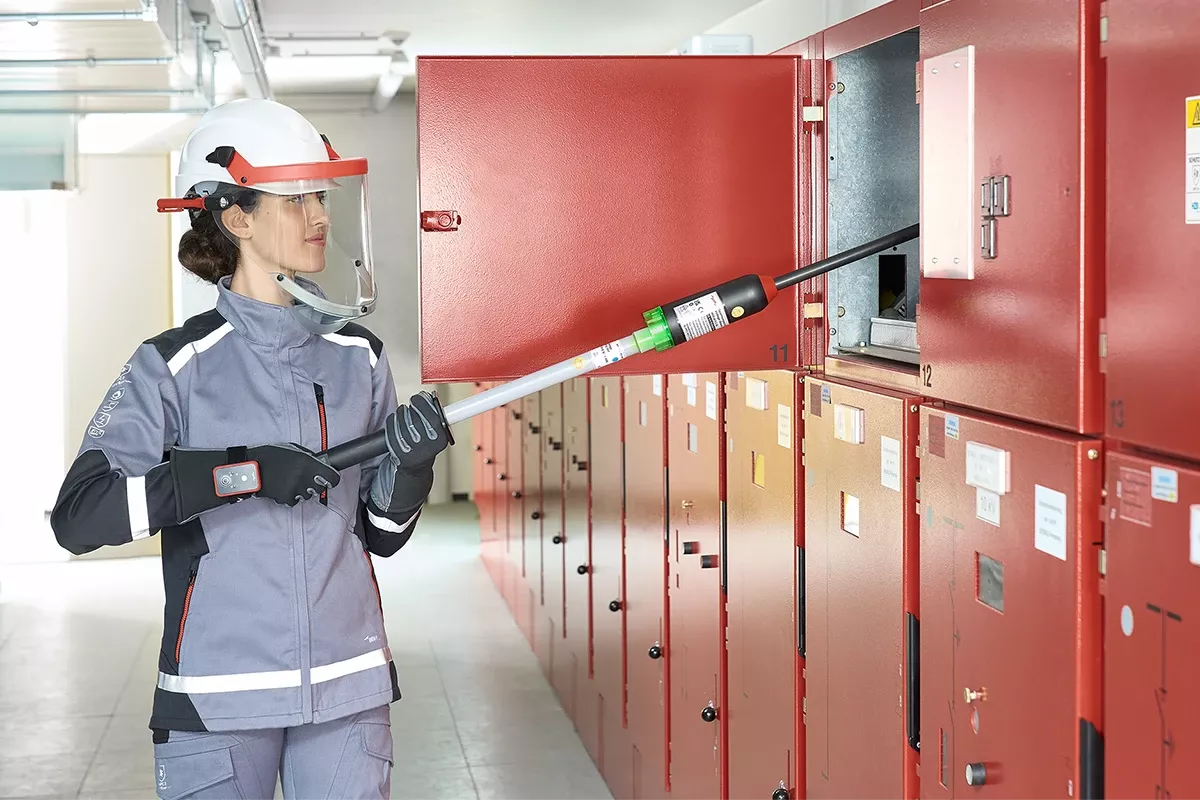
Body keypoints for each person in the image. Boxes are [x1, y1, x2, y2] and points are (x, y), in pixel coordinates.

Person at [50, 97, 451, 798]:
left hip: (346, 695)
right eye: (297, 200)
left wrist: (412, 472)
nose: (321, 216)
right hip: (216, 699)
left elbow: (381, 534)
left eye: (321, 195)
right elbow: (79, 517)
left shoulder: (360, 358)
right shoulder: (171, 366)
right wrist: (246, 473)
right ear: (236, 217)